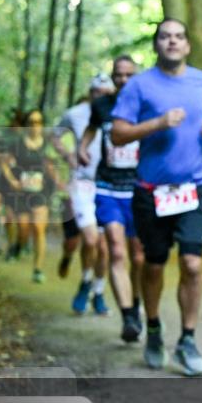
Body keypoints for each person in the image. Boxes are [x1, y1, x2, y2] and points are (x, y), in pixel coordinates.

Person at [111, 18, 202, 376]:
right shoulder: (139, 85)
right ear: (157, 45)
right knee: (153, 264)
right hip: (151, 191)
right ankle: (154, 328)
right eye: (164, 37)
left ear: (187, 45)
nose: (172, 42)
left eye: (178, 37)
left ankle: (187, 340)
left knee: (192, 263)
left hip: (196, 187)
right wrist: (157, 123)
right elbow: (118, 134)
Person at [79, 55, 146, 344]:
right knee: (116, 252)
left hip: (139, 188)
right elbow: (91, 129)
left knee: (140, 257)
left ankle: (140, 302)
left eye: (129, 75)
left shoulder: (146, 106)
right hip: (107, 186)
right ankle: (129, 315)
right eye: (118, 75)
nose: (123, 80)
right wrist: (82, 148)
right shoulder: (102, 105)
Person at [54, 75, 112, 315]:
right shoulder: (75, 113)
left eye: (105, 93)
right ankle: (86, 281)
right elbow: (54, 135)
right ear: (90, 93)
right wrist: (68, 155)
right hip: (82, 182)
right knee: (89, 240)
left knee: (105, 247)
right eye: (96, 92)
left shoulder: (120, 112)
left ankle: (98, 291)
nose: (100, 96)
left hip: (109, 184)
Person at [0, 110, 65, 282]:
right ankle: (18, 246)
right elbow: (4, 163)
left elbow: (55, 163)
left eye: (39, 121)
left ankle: (38, 269)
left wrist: (59, 181)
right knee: (23, 229)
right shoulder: (18, 143)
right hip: (21, 192)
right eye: (32, 121)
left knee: (38, 228)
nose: (35, 125)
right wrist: (13, 181)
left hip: (41, 192)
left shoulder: (48, 144)